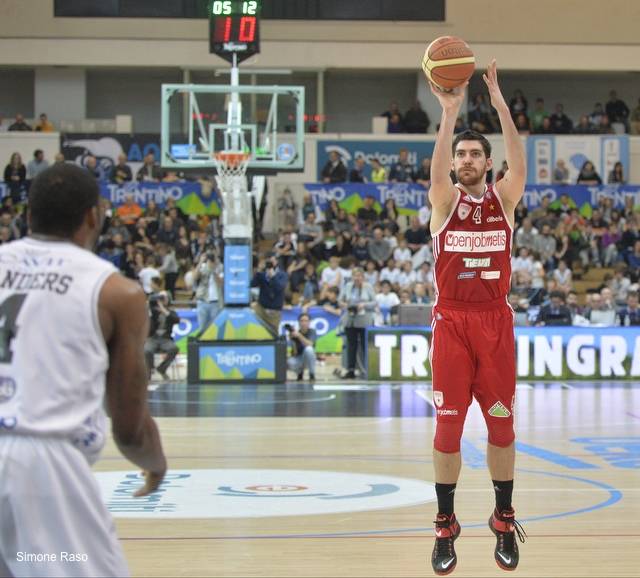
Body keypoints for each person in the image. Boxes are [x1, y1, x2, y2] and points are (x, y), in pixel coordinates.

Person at [0, 164, 166, 577]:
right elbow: (129, 428)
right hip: (40, 465)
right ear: (94, 215)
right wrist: (156, 461)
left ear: (29, 213)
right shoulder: (117, 292)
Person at [427, 60, 527, 574]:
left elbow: (520, 160)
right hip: (451, 324)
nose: (465, 159)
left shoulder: (504, 200)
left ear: (488, 164)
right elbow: (439, 163)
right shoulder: (442, 202)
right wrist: (449, 113)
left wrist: (502, 106)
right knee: (446, 433)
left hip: (495, 323)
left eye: (474, 154)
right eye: (460, 153)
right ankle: (446, 525)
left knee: (502, 429)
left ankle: (503, 517)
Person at [339, 267, 375, 378]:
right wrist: (345, 305)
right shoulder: (348, 286)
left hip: (364, 319)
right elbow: (340, 300)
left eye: (359, 276)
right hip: (350, 320)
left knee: (365, 346)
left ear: (363, 277)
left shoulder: (368, 287)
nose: (357, 278)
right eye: (355, 275)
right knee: (351, 346)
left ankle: (367, 369)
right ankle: (351, 369)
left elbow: (374, 302)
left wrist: (363, 305)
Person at [144, 282, 180, 380]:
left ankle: (162, 368)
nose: (161, 300)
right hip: (153, 338)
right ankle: (149, 371)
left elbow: (176, 320)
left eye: (163, 298)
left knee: (174, 349)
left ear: (168, 300)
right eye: (160, 298)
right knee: (146, 350)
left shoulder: (171, 312)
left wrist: (163, 309)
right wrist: (149, 309)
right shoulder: (152, 311)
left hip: (166, 338)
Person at [251, 254, 288, 333]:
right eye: (268, 261)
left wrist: (273, 276)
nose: (270, 263)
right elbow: (252, 284)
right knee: (256, 330)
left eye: (272, 261)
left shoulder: (282, 275)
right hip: (261, 308)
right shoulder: (262, 274)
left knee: (272, 333)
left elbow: (279, 287)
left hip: (274, 311)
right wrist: (257, 272)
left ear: (276, 261)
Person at [286, 313, 317, 381]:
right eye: (302, 321)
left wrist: (299, 336)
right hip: (299, 358)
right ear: (299, 322)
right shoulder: (295, 333)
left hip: (308, 359)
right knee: (288, 362)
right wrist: (292, 340)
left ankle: (312, 374)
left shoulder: (312, 332)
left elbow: (310, 344)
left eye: (306, 321)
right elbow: (294, 353)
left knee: (309, 349)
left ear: (309, 322)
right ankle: (300, 373)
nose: (304, 323)